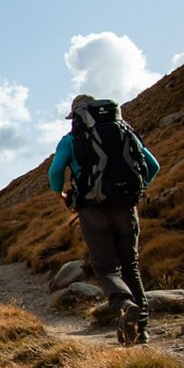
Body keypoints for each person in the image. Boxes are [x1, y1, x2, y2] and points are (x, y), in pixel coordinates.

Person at [48, 94, 160, 344]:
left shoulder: (72, 140)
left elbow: (55, 171)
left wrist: (61, 196)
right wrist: (137, 190)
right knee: (130, 265)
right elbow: (153, 166)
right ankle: (141, 329)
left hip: (92, 209)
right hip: (126, 206)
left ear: (76, 115)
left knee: (107, 267)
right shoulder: (124, 131)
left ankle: (123, 304)